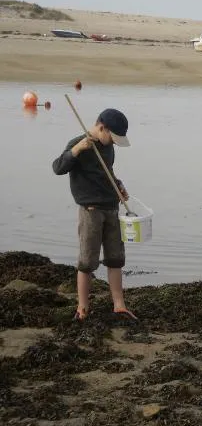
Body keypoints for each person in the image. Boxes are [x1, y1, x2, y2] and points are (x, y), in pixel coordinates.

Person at [52, 108, 137, 322]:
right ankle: (82, 308)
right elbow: (58, 167)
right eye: (112, 137)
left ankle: (119, 305)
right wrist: (77, 150)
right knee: (87, 261)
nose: (114, 143)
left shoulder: (109, 148)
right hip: (90, 211)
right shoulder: (78, 143)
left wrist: (118, 187)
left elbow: (107, 171)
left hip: (112, 208)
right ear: (102, 127)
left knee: (116, 258)